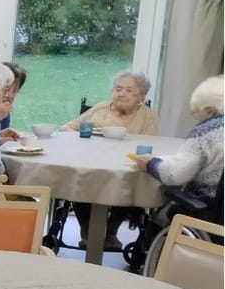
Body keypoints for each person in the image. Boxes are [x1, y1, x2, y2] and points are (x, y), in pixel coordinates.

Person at [140, 75, 224, 220]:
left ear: (209, 110)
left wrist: (150, 164)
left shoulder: (207, 131)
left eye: (197, 113)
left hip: (209, 214)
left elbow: (174, 175)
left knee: (161, 215)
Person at [61, 71, 161, 136]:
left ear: (142, 95)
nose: (121, 94)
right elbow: (65, 128)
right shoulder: (100, 109)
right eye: (118, 89)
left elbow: (150, 146)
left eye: (129, 91)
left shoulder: (149, 117)